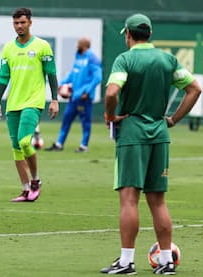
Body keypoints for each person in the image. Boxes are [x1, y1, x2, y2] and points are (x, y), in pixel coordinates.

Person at [101, 13, 201, 275]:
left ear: (128, 34)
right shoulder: (167, 59)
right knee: (158, 201)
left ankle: (126, 262)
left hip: (133, 133)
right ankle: (167, 261)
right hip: (159, 132)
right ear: (150, 34)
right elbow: (195, 88)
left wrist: (111, 116)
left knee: (129, 200)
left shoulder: (125, 58)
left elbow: (112, 92)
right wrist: (174, 120)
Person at [0, 7, 59, 203]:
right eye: (16, 23)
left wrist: (54, 99)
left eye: (22, 22)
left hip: (33, 102)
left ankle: (36, 180)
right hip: (13, 104)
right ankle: (25, 189)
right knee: (15, 148)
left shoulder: (42, 46)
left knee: (24, 142)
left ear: (30, 22)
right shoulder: (8, 48)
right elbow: (4, 76)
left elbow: (51, 74)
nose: (19, 26)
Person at [45, 37, 102, 153]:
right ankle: (59, 144)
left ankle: (83, 146)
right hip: (74, 96)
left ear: (85, 45)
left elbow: (97, 77)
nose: (77, 46)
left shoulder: (92, 58)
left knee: (85, 122)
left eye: (79, 44)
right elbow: (73, 73)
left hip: (84, 97)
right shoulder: (79, 56)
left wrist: (87, 91)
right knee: (66, 120)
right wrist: (61, 84)